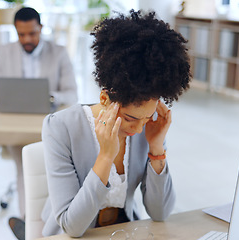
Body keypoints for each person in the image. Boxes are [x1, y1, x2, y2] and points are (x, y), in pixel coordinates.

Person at [41, 10, 191, 237]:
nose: (139, 129)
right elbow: (72, 227)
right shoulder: (60, 127)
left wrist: (157, 148)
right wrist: (105, 156)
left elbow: (160, 213)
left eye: (146, 117)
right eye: (130, 118)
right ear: (104, 98)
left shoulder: (147, 128)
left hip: (123, 230)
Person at [0, 7, 78, 240]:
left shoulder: (59, 52)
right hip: (17, 127)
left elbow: (72, 94)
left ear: (41, 29)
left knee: (56, 173)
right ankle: (31, 227)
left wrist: (48, 97)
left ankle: (49, 226)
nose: (27, 39)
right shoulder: (5, 52)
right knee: (25, 170)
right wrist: (15, 96)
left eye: (32, 34)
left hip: (50, 126)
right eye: (21, 34)